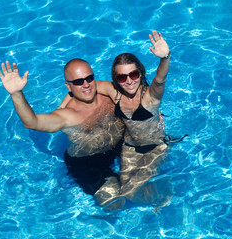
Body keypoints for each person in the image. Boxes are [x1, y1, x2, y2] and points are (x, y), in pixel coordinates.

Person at [60, 30, 172, 207]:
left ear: (140, 73)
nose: (129, 81)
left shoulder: (150, 96)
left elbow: (160, 79)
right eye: (122, 77)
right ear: (116, 79)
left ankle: (164, 191)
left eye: (133, 74)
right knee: (124, 194)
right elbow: (84, 85)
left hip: (154, 148)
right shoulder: (115, 93)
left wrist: (165, 57)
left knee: (130, 192)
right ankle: (152, 190)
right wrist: (62, 106)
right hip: (129, 148)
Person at [0, 59, 125, 210]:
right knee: (114, 204)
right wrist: (16, 93)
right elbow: (32, 122)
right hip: (88, 162)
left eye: (89, 78)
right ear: (68, 86)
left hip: (119, 144)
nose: (86, 84)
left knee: (145, 185)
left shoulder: (108, 93)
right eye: (78, 81)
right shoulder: (67, 115)